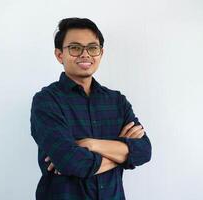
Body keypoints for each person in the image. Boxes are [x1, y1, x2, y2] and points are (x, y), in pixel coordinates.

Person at [30, 17, 152, 200]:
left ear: (101, 53)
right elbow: (71, 162)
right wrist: (121, 151)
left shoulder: (117, 101)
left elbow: (144, 151)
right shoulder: (47, 101)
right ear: (59, 55)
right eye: (75, 47)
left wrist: (91, 144)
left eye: (92, 48)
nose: (85, 54)